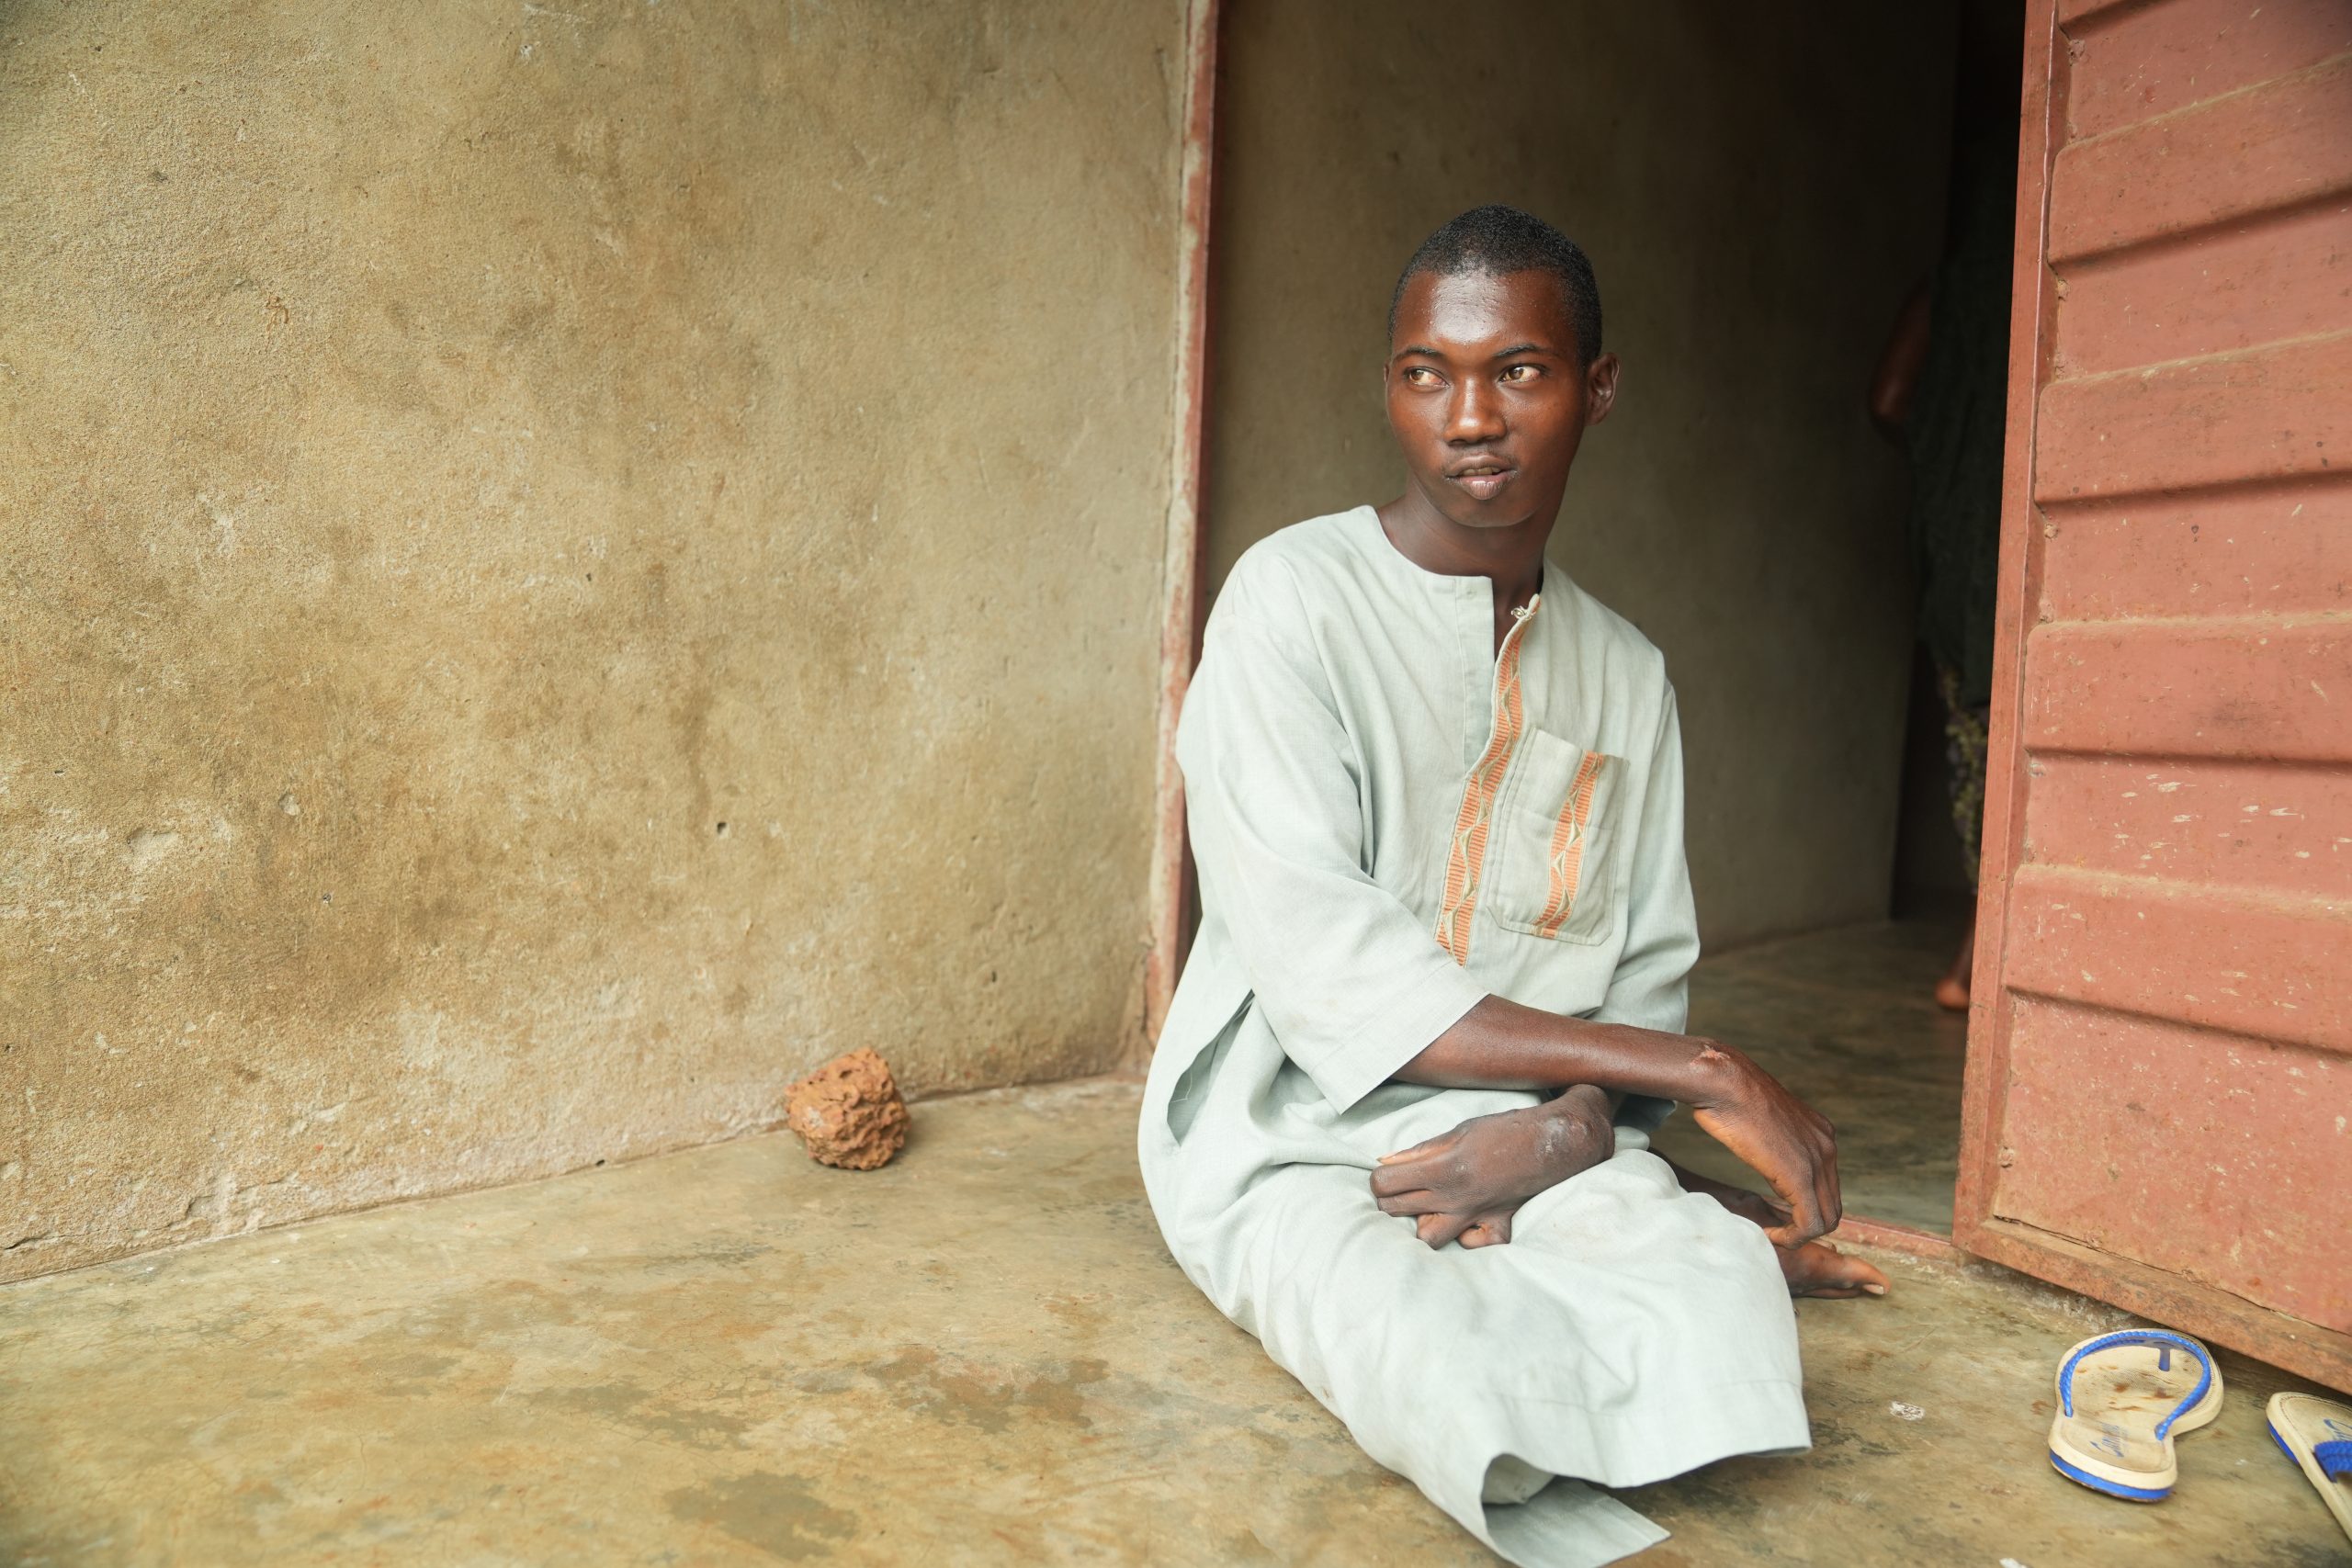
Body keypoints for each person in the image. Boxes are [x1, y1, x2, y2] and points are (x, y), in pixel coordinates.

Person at [1138, 206, 1883, 1568]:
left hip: (1537, 1120)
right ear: (1390, 388)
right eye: (1427, 373)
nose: (1469, 419)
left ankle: (1632, 1252)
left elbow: (1639, 977)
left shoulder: (1630, 676)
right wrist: (1708, 1075)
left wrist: (1575, 1134)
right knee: (1425, 1345)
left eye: (1519, 372)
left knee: (1710, 1292)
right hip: (1293, 1120)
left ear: (1597, 388)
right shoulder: (1291, 601)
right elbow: (1326, 972)